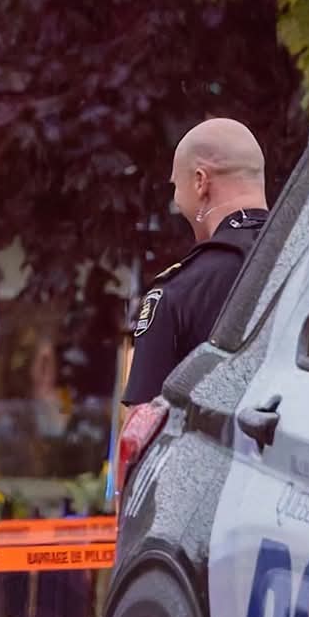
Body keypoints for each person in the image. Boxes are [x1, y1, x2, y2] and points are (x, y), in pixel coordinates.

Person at [118, 118, 272, 418]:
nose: (176, 201)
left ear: (200, 181)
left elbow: (142, 432)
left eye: (176, 186)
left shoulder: (176, 292)